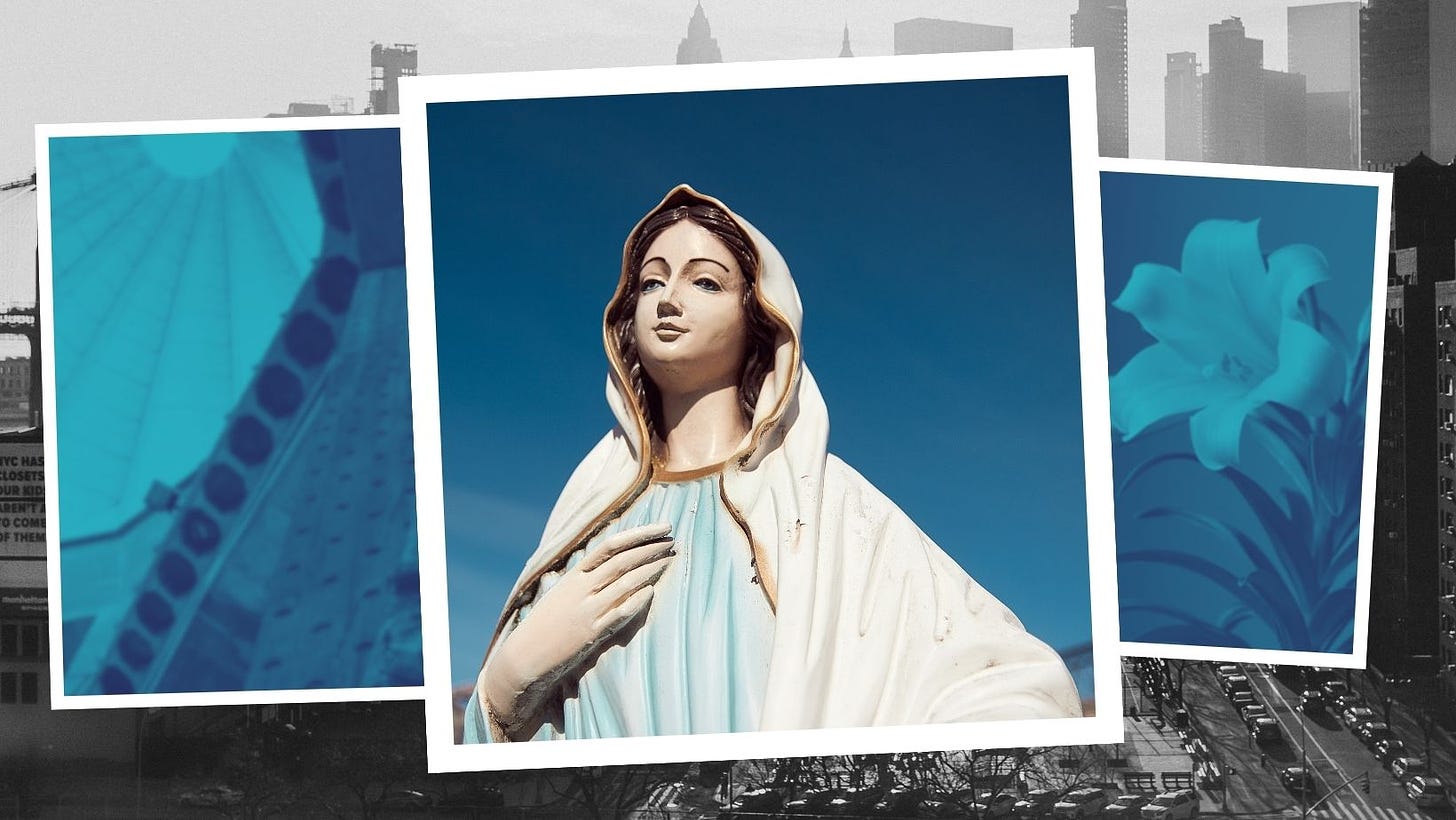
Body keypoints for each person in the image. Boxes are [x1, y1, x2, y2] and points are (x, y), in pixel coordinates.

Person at [464, 184, 1081, 742]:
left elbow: (1006, 680)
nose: (667, 300)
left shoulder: (826, 507)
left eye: (704, 281)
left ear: (758, 318)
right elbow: (497, 760)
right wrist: (508, 681)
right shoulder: (588, 521)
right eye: (651, 282)